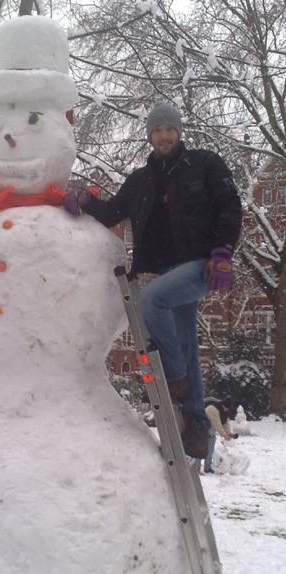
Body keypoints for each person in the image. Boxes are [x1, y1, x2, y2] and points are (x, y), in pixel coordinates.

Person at [63, 102, 242, 459]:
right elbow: (114, 211)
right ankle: (195, 425)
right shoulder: (141, 180)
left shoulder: (204, 164)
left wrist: (223, 251)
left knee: (150, 301)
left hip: (202, 265)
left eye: (169, 129)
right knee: (187, 344)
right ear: (150, 135)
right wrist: (86, 199)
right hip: (164, 270)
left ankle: (174, 376)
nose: (164, 136)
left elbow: (229, 205)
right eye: (157, 130)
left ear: (179, 132)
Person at [203, 398, 233, 474]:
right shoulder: (212, 409)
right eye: (226, 408)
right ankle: (196, 469)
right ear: (223, 406)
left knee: (210, 450)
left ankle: (207, 468)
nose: (227, 410)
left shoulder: (225, 412)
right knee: (200, 450)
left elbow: (225, 423)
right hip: (202, 431)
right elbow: (217, 424)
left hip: (211, 433)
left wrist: (229, 433)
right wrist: (224, 435)